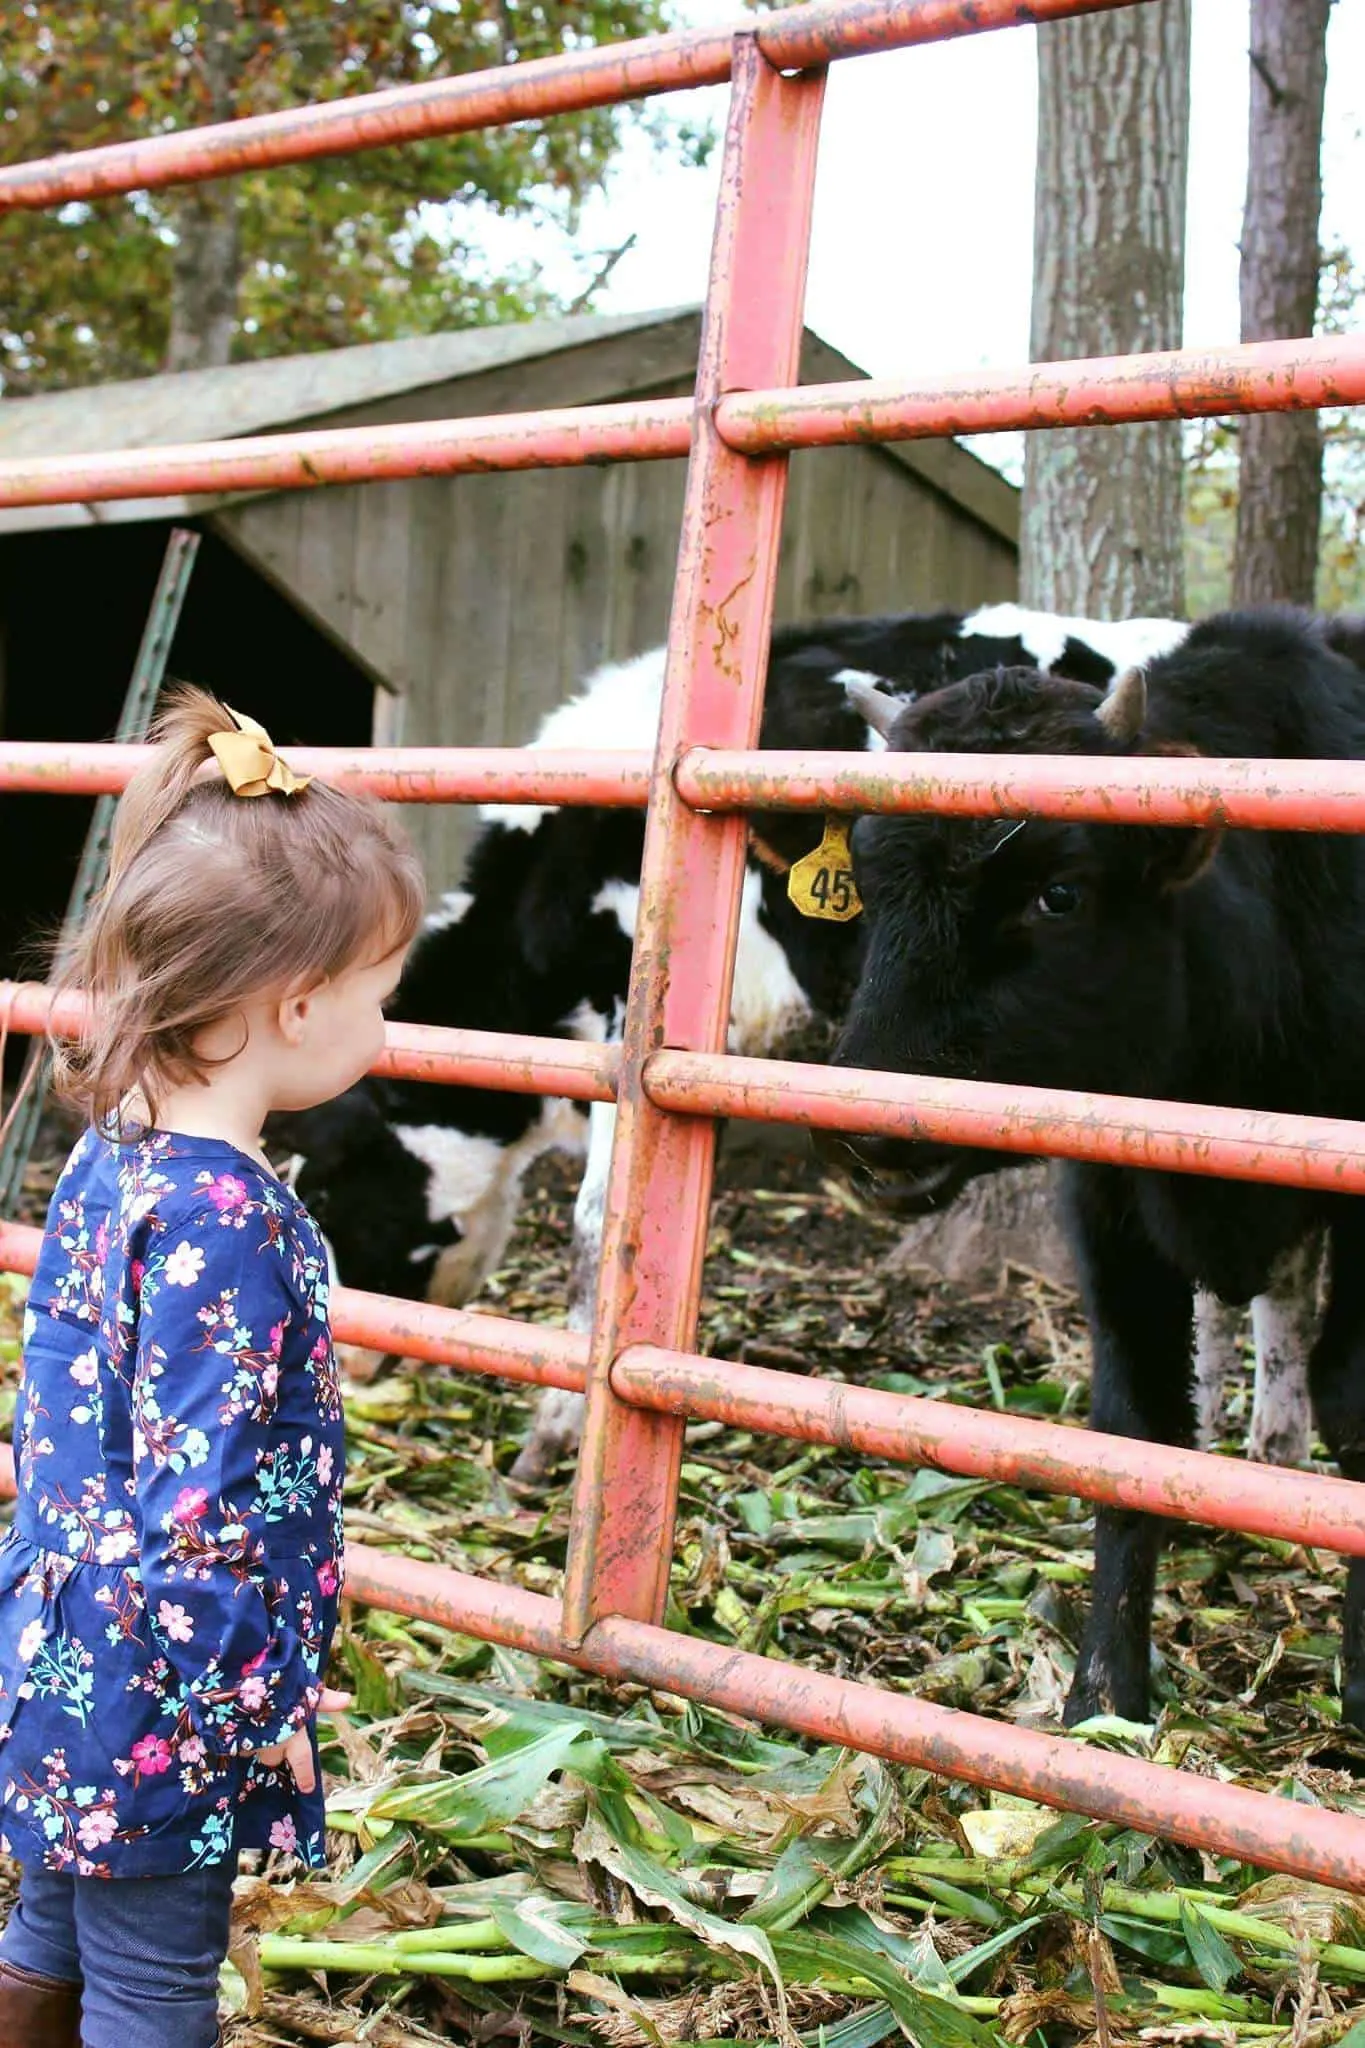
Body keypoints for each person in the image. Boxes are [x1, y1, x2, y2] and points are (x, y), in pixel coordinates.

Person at [0, 690, 425, 2048]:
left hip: (64, 1639)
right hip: (167, 1684)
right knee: (155, 1986)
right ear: (296, 1005)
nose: (383, 1031)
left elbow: (67, 1411)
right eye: (378, 999)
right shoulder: (228, 1220)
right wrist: (254, 1714)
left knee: (54, 1916)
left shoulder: (112, 1151)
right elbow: (207, 1514)